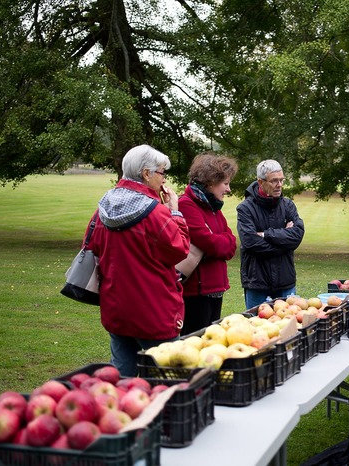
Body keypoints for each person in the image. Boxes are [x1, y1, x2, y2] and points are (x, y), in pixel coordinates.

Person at [87, 144, 190, 376]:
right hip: (154, 310)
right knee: (169, 377)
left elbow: (92, 245)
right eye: (162, 173)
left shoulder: (104, 206)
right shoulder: (156, 212)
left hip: (116, 308)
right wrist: (174, 211)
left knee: (123, 379)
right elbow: (180, 249)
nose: (164, 179)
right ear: (146, 173)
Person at [178, 152, 238, 335]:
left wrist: (219, 242)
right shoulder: (187, 205)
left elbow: (231, 244)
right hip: (196, 294)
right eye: (225, 183)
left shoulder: (213, 207)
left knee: (211, 340)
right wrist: (218, 241)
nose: (228, 189)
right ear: (211, 181)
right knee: (194, 341)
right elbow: (210, 243)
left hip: (215, 289)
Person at [237, 159, 305, 309]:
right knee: (256, 326)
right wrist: (284, 244)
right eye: (274, 181)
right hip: (257, 282)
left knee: (289, 327)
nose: (279, 185)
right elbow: (250, 242)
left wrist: (265, 234)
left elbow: (297, 235)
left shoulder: (288, 205)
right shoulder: (245, 209)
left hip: (285, 280)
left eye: (281, 180)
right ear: (260, 182)